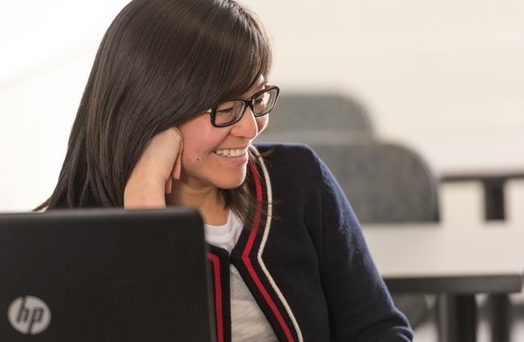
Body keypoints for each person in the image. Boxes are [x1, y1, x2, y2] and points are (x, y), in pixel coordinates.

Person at [39, 0, 413, 340]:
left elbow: (379, 330)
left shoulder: (298, 180)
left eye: (256, 99)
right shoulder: (73, 236)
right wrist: (144, 203)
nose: (250, 127)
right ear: (153, 112)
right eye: (226, 107)